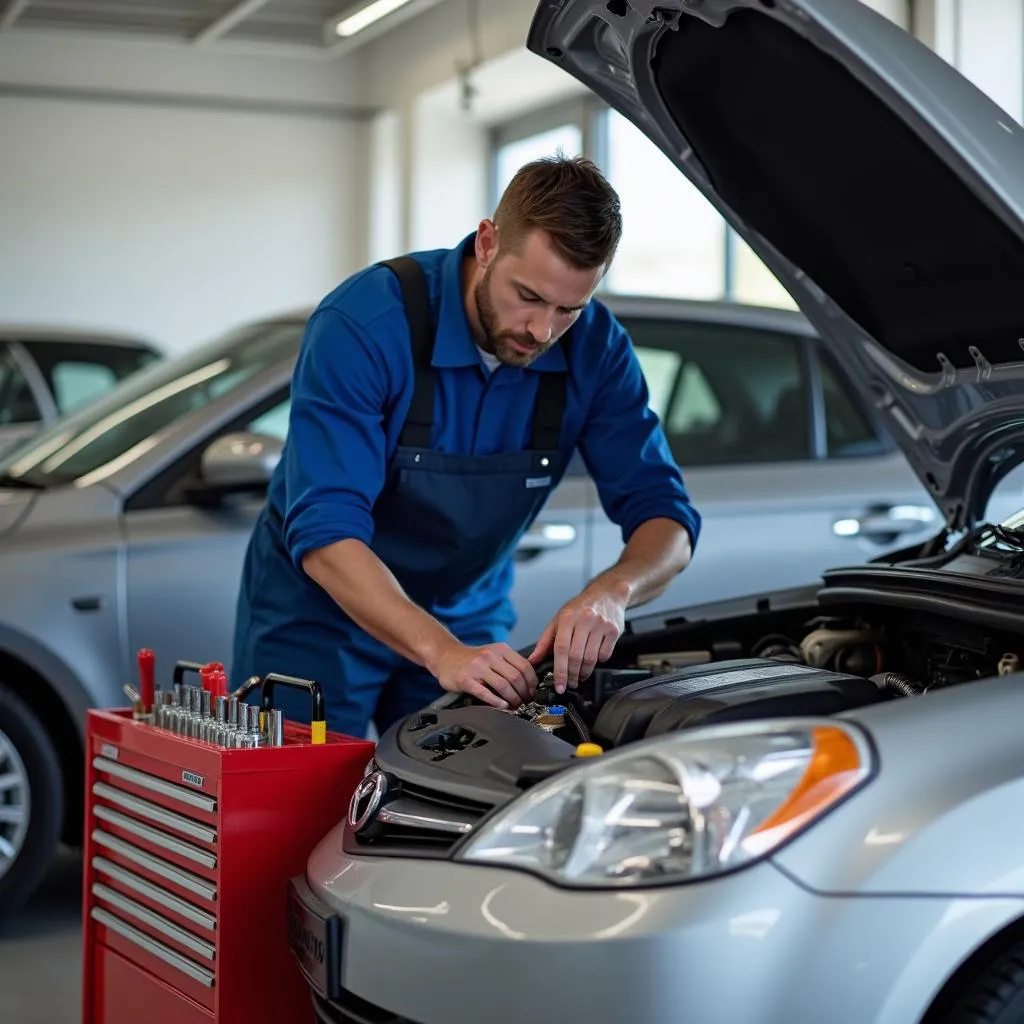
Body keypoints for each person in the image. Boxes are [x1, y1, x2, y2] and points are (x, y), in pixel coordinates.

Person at [230, 155, 702, 738]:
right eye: (527, 295)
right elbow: (326, 532)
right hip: (320, 616)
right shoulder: (366, 324)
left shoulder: (597, 350)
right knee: (298, 813)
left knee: (456, 808)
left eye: (568, 309)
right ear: (487, 241)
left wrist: (612, 592)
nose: (541, 332)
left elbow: (666, 517)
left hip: (467, 615)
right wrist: (439, 651)